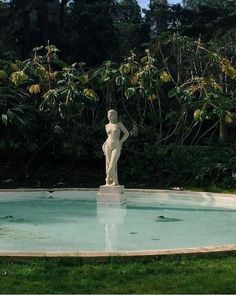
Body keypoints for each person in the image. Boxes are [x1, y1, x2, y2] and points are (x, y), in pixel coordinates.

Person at [102, 110, 129, 186]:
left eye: (112, 114)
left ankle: (107, 178)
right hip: (107, 145)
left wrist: (121, 142)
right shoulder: (106, 126)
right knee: (108, 163)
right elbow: (108, 137)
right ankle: (114, 181)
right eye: (109, 115)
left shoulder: (119, 124)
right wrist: (104, 144)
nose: (110, 116)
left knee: (112, 164)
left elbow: (127, 134)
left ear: (115, 115)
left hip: (116, 145)